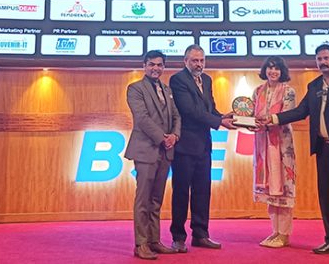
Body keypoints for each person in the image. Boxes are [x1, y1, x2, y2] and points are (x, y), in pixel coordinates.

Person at [270, 44, 329, 258]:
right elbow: (300, 111)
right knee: (326, 196)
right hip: (323, 149)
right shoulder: (314, 85)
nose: (322, 62)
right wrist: (273, 118)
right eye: (319, 59)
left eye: (326, 58)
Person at [169, 44, 236, 252]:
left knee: (202, 192)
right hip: (184, 146)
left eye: (201, 60)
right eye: (194, 61)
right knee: (181, 193)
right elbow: (189, 111)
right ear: (185, 61)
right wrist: (219, 122)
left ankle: (200, 235)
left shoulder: (206, 80)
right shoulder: (178, 80)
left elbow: (209, 108)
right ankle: (178, 237)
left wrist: (222, 116)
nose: (199, 64)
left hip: (204, 145)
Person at [125, 50, 181, 260]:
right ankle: (141, 244)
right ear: (144, 66)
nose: (155, 68)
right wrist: (162, 138)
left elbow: (176, 116)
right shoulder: (135, 88)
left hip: (165, 151)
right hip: (145, 150)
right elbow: (142, 118)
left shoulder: (167, 89)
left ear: (164, 67)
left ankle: (154, 240)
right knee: (143, 199)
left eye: (159, 65)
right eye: (151, 64)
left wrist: (175, 135)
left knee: (156, 199)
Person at [252, 56, 296, 249]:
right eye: (270, 68)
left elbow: (288, 115)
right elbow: (252, 116)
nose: (273, 71)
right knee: (271, 190)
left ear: (282, 71)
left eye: (277, 68)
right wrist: (250, 123)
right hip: (262, 145)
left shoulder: (288, 92)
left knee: (283, 188)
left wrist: (269, 120)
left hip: (282, 147)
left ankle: (284, 234)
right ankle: (275, 231)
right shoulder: (258, 91)